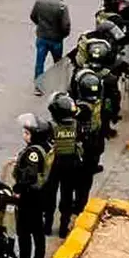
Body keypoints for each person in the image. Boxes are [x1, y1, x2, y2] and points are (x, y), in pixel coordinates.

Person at [12, 114, 53, 258]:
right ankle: (39, 257)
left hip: (30, 198)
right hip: (42, 195)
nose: (24, 135)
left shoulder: (33, 153)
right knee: (38, 230)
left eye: (27, 133)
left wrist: (17, 190)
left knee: (24, 232)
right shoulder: (46, 145)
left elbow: (29, 177)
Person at [43, 92, 81, 237]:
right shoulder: (76, 125)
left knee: (50, 195)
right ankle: (63, 228)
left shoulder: (50, 126)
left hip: (53, 165)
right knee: (67, 196)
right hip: (71, 164)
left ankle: (47, 226)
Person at [71, 69, 105, 213]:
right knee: (87, 175)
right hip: (96, 141)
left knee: (82, 179)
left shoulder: (83, 108)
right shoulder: (98, 100)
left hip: (85, 145)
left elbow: (70, 112)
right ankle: (80, 202)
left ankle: (79, 205)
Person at [30, 0, 72, 96]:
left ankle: (38, 87)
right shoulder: (62, 7)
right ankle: (58, 86)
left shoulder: (40, 3)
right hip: (56, 40)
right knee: (57, 63)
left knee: (40, 62)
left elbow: (33, 16)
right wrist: (63, 35)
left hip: (42, 38)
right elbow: (66, 25)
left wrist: (41, 26)